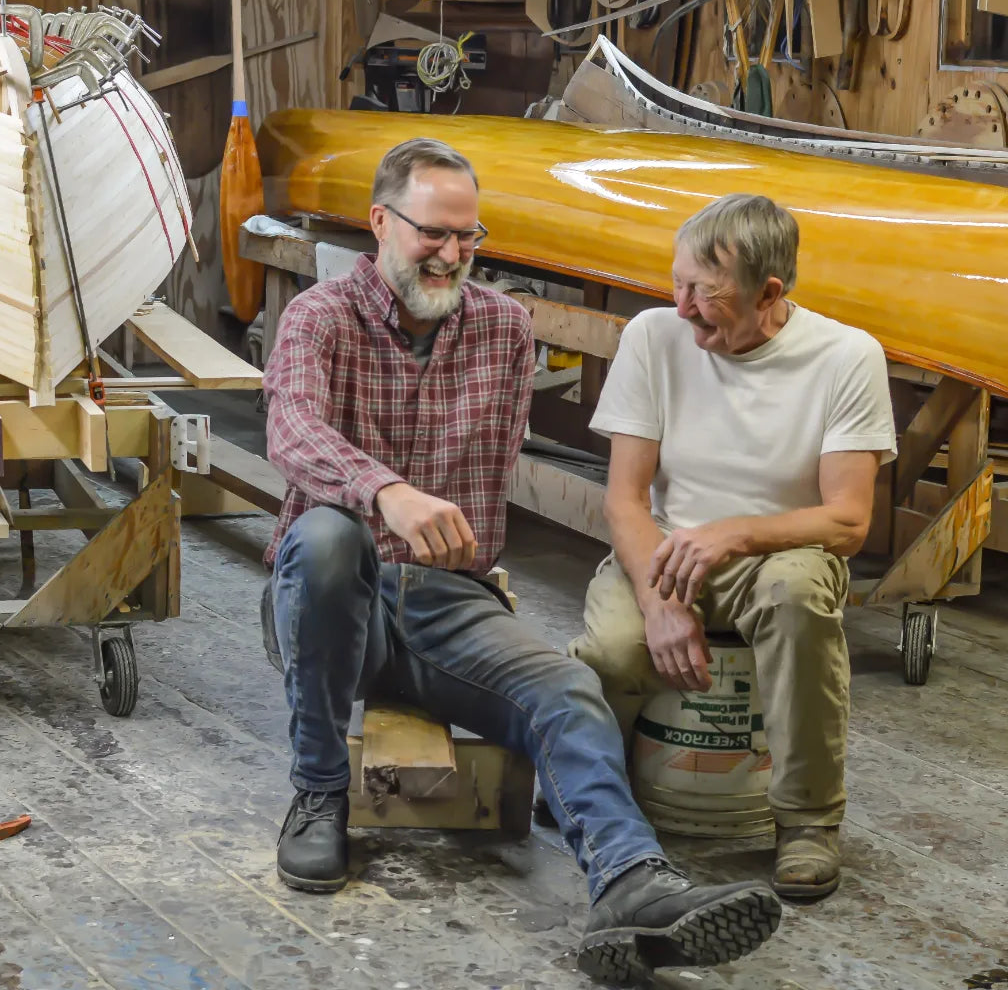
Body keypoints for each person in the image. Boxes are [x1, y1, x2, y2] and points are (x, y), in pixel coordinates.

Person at [261, 140, 781, 983]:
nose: (454, 254)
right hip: (329, 598)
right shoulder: (318, 317)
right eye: (434, 234)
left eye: (470, 238)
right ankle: (320, 790)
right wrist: (386, 491)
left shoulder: (503, 330)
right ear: (381, 222)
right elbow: (291, 431)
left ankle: (629, 881)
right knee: (328, 536)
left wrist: (465, 585)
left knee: (567, 686)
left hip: (444, 603)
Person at [568, 193, 897, 901]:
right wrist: (658, 604)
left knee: (797, 595)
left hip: (779, 554)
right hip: (667, 551)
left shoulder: (846, 357)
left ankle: (807, 820)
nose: (681, 307)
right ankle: (594, 790)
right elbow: (625, 500)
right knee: (614, 649)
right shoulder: (654, 337)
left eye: (703, 293)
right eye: (677, 283)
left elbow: (847, 522)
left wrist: (736, 532)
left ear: (769, 293)